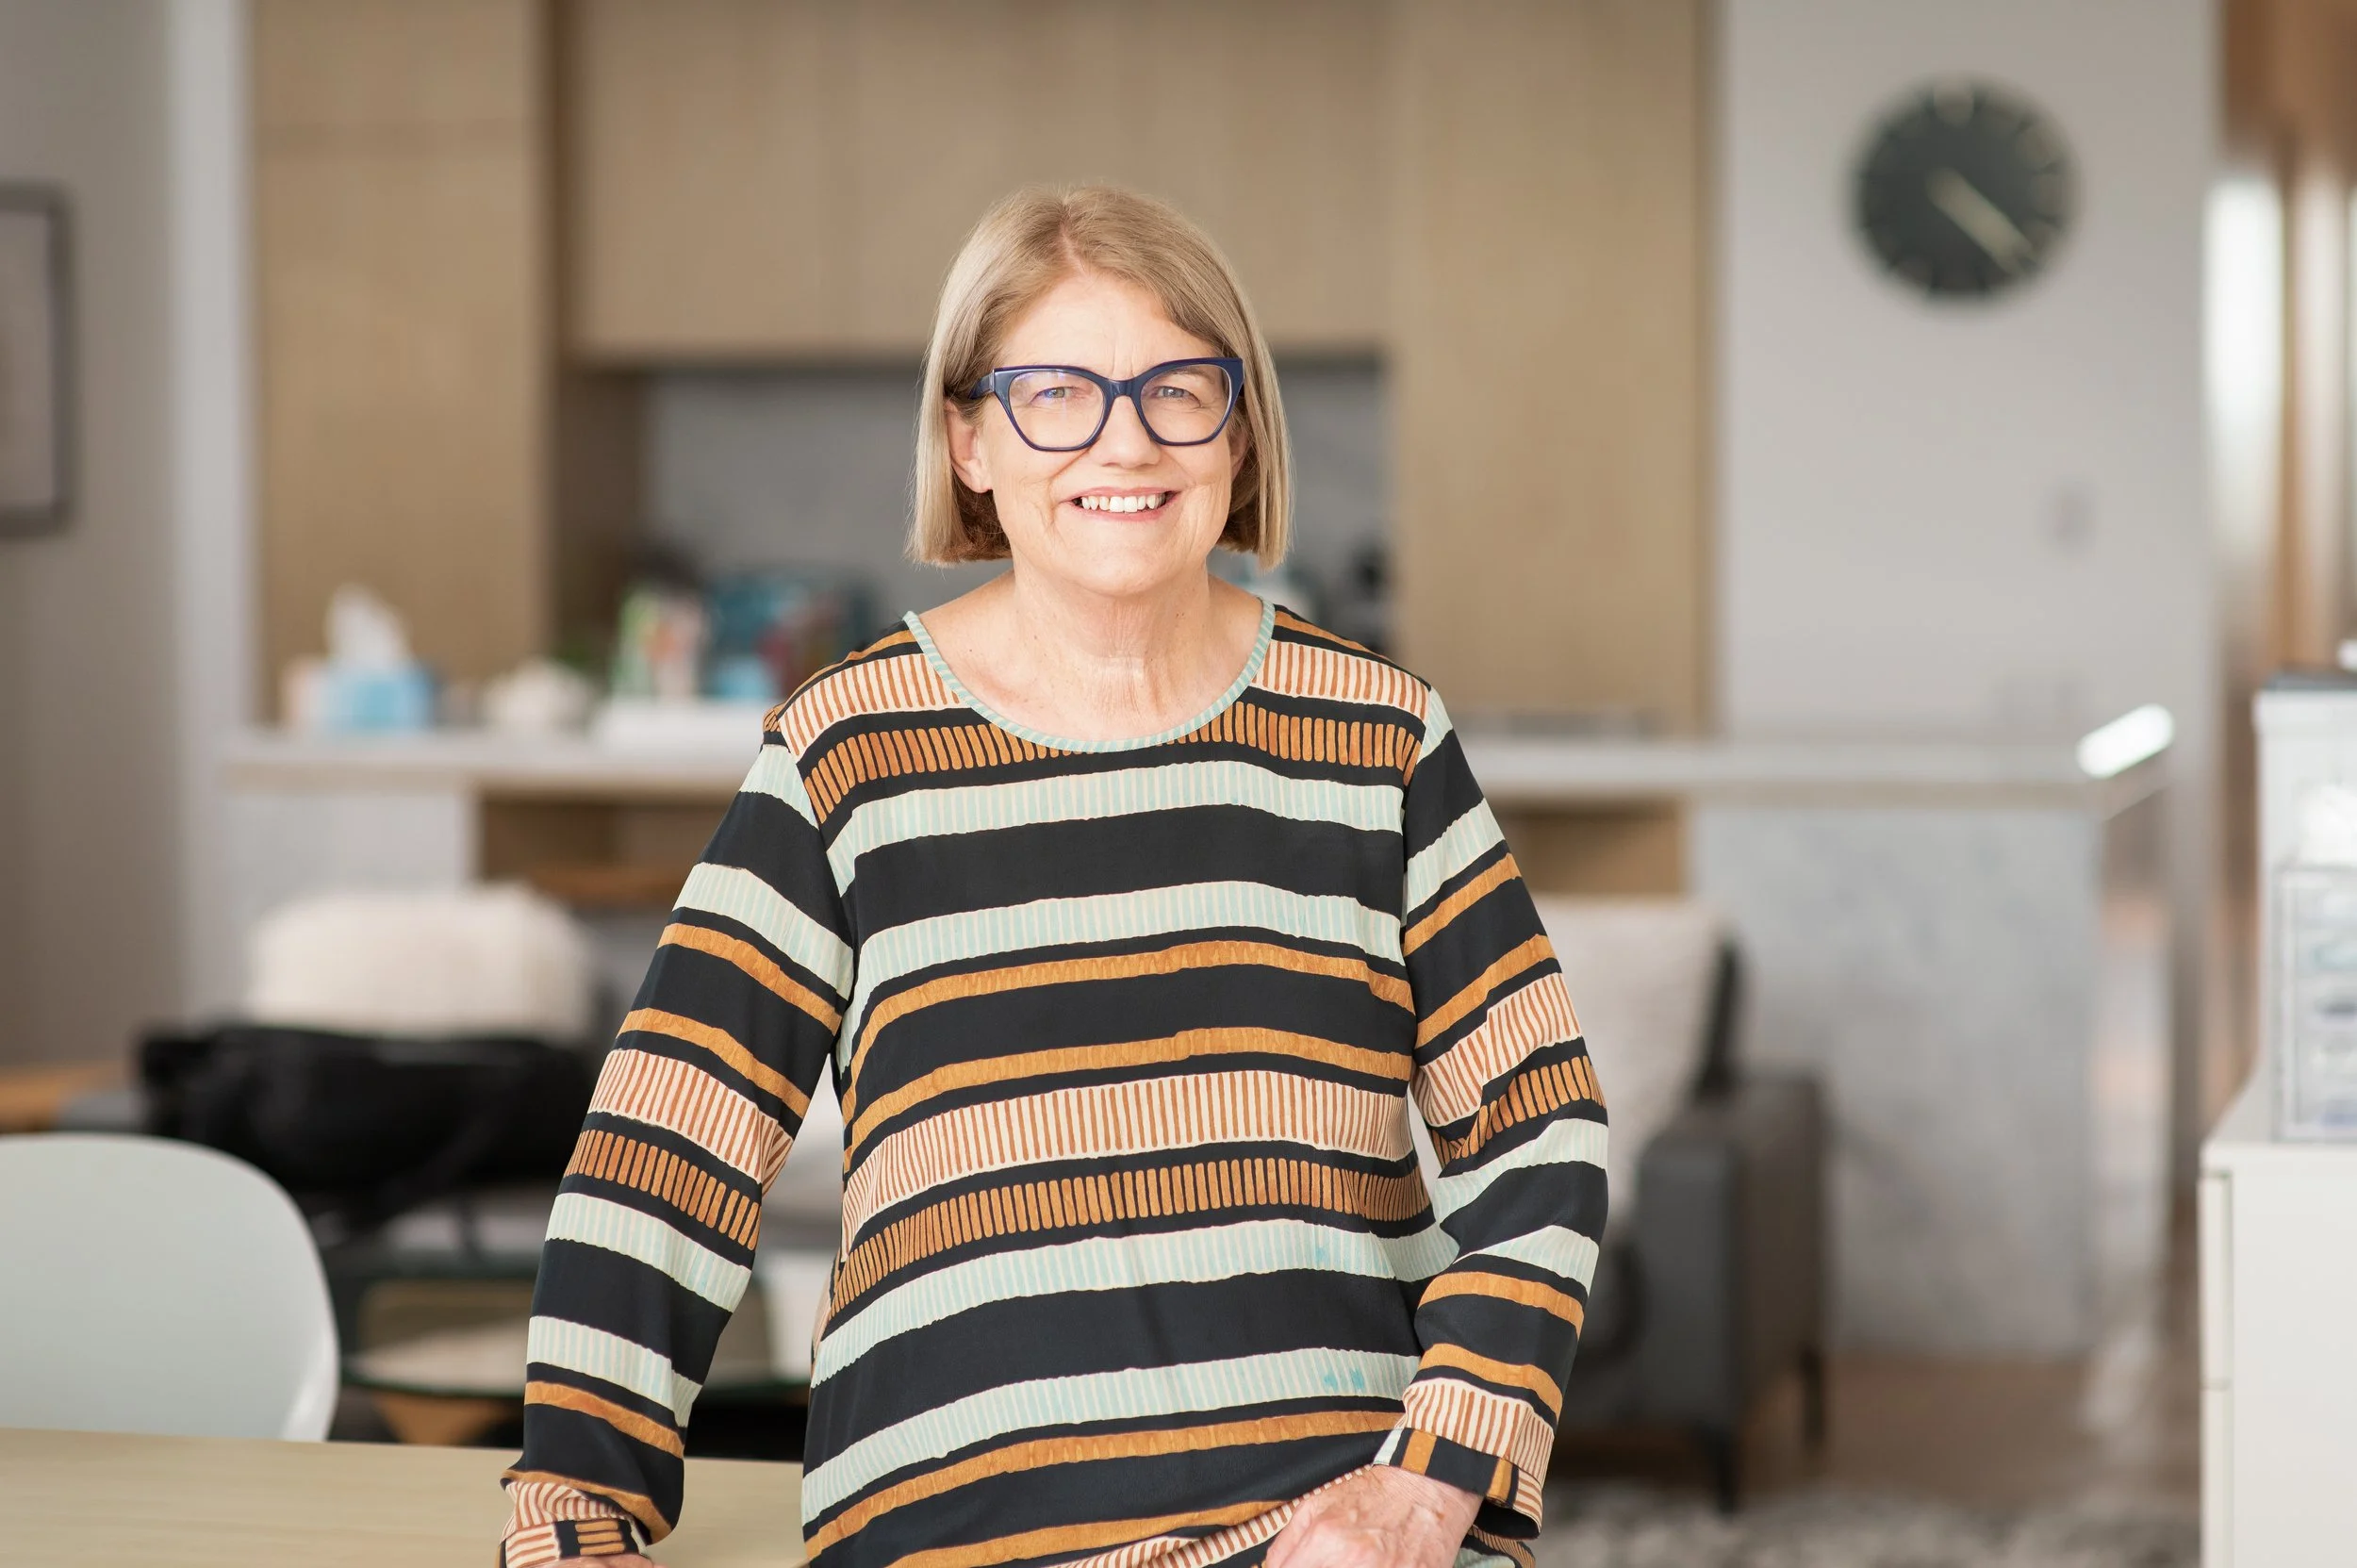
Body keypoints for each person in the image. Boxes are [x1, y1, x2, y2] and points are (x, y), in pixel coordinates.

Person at [501, 186, 1607, 1568]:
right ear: (968, 438)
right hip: (956, 1537)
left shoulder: (1377, 736)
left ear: (1241, 424)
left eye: (1178, 390)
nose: (1125, 442)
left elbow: (1539, 1128)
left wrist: (1434, 1483)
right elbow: (667, 1150)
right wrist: (575, 1512)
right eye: (1057, 395)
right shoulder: (847, 749)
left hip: (1331, 1532)